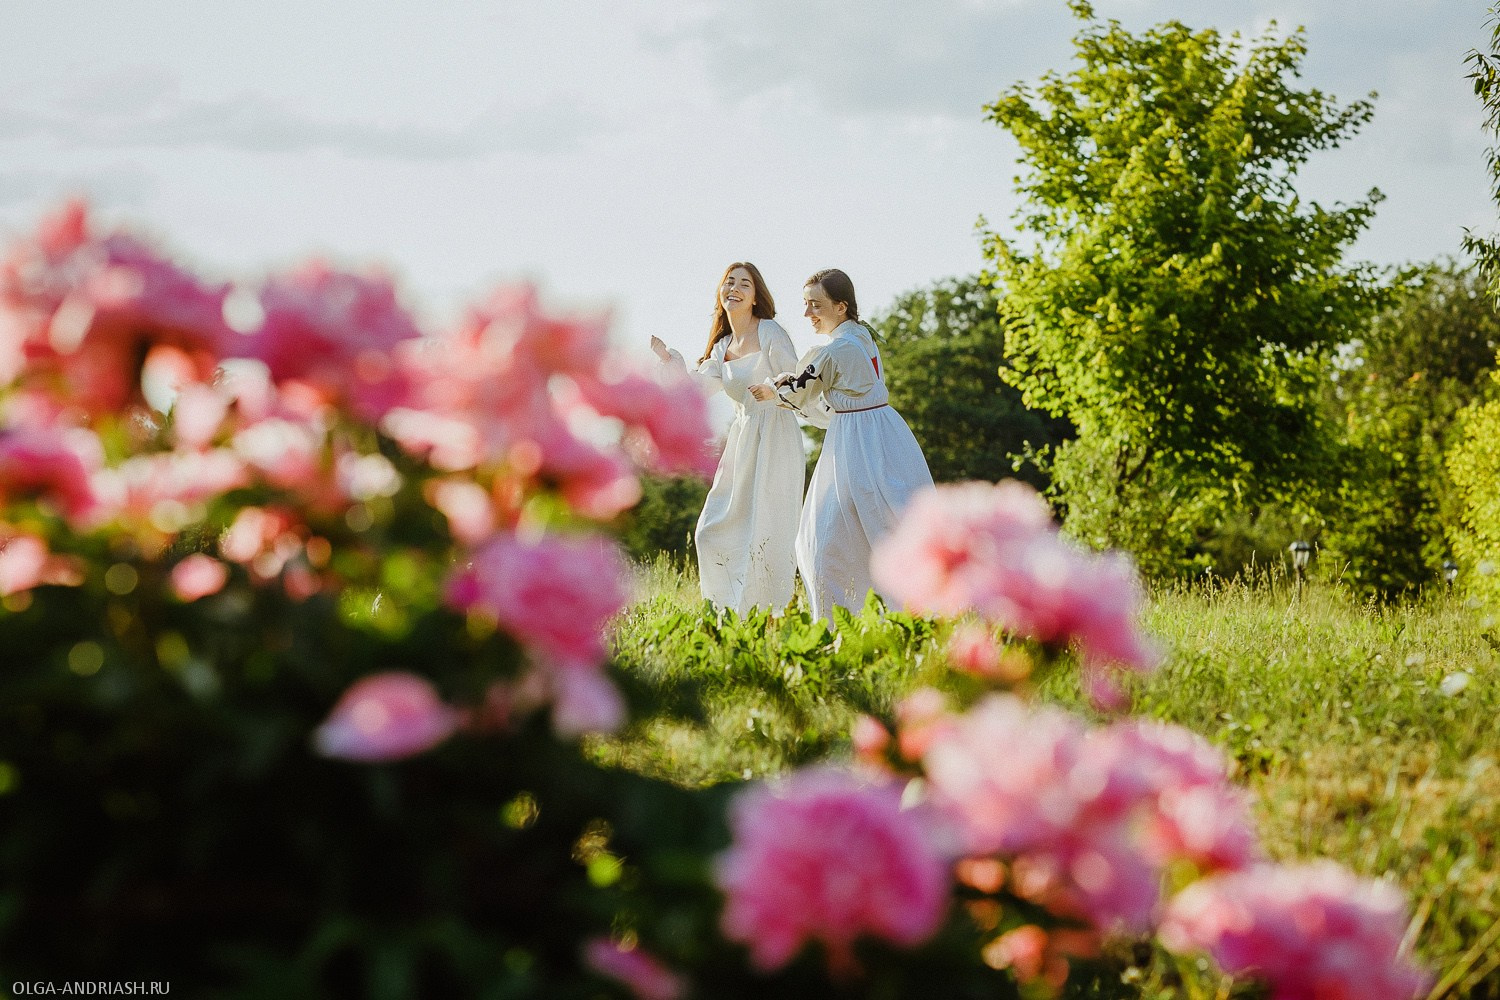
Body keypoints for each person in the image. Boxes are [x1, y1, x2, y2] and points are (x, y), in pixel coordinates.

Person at [748, 268, 933, 622]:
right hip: (881, 433)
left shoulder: (839, 348)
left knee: (829, 533)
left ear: (841, 307)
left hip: (858, 441)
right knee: (867, 523)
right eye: (805, 305)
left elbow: (804, 385)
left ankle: (851, 620)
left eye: (815, 305)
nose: (807, 314)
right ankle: (871, 615)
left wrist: (772, 390)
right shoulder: (861, 337)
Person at [652, 262, 805, 615]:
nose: (734, 288)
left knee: (765, 528)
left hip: (776, 436)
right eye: (729, 282)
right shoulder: (722, 346)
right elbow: (695, 390)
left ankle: (769, 615)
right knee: (710, 530)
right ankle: (726, 614)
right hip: (743, 438)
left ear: (755, 297)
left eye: (744, 284)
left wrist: (775, 390)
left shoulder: (770, 332)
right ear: (721, 293)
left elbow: (796, 378)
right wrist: (669, 362)